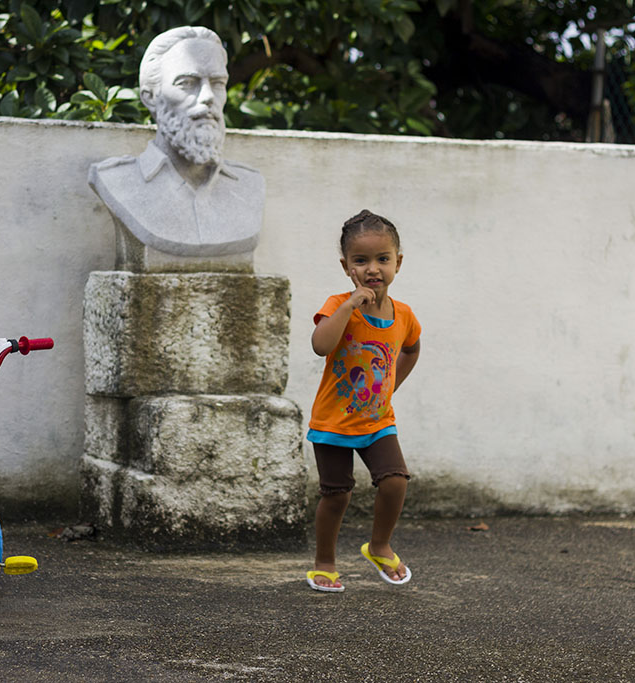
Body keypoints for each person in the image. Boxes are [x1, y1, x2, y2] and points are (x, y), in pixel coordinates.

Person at [304, 210, 422, 593]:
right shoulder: (339, 305)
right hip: (333, 423)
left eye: (382, 259)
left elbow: (412, 348)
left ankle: (379, 546)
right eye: (361, 260)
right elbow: (321, 345)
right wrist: (348, 306)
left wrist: (390, 388)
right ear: (346, 267)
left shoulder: (404, 315)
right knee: (336, 495)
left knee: (395, 481)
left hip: (377, 421)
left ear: (397, 263)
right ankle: (325, 563)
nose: (373, 269)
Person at [88, 26, 265, 257]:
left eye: (218, 83)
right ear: (151, 98)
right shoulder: (116, 180)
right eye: (187, 83)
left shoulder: (250, 185)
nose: (208, 97)